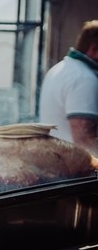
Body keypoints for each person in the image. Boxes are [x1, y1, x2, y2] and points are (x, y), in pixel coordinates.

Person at [39, 19, 98, 156]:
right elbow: (84, 140)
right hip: (74, 169)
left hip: (56, 161)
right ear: (93, 49)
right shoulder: (84, 78)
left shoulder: (61, 69)